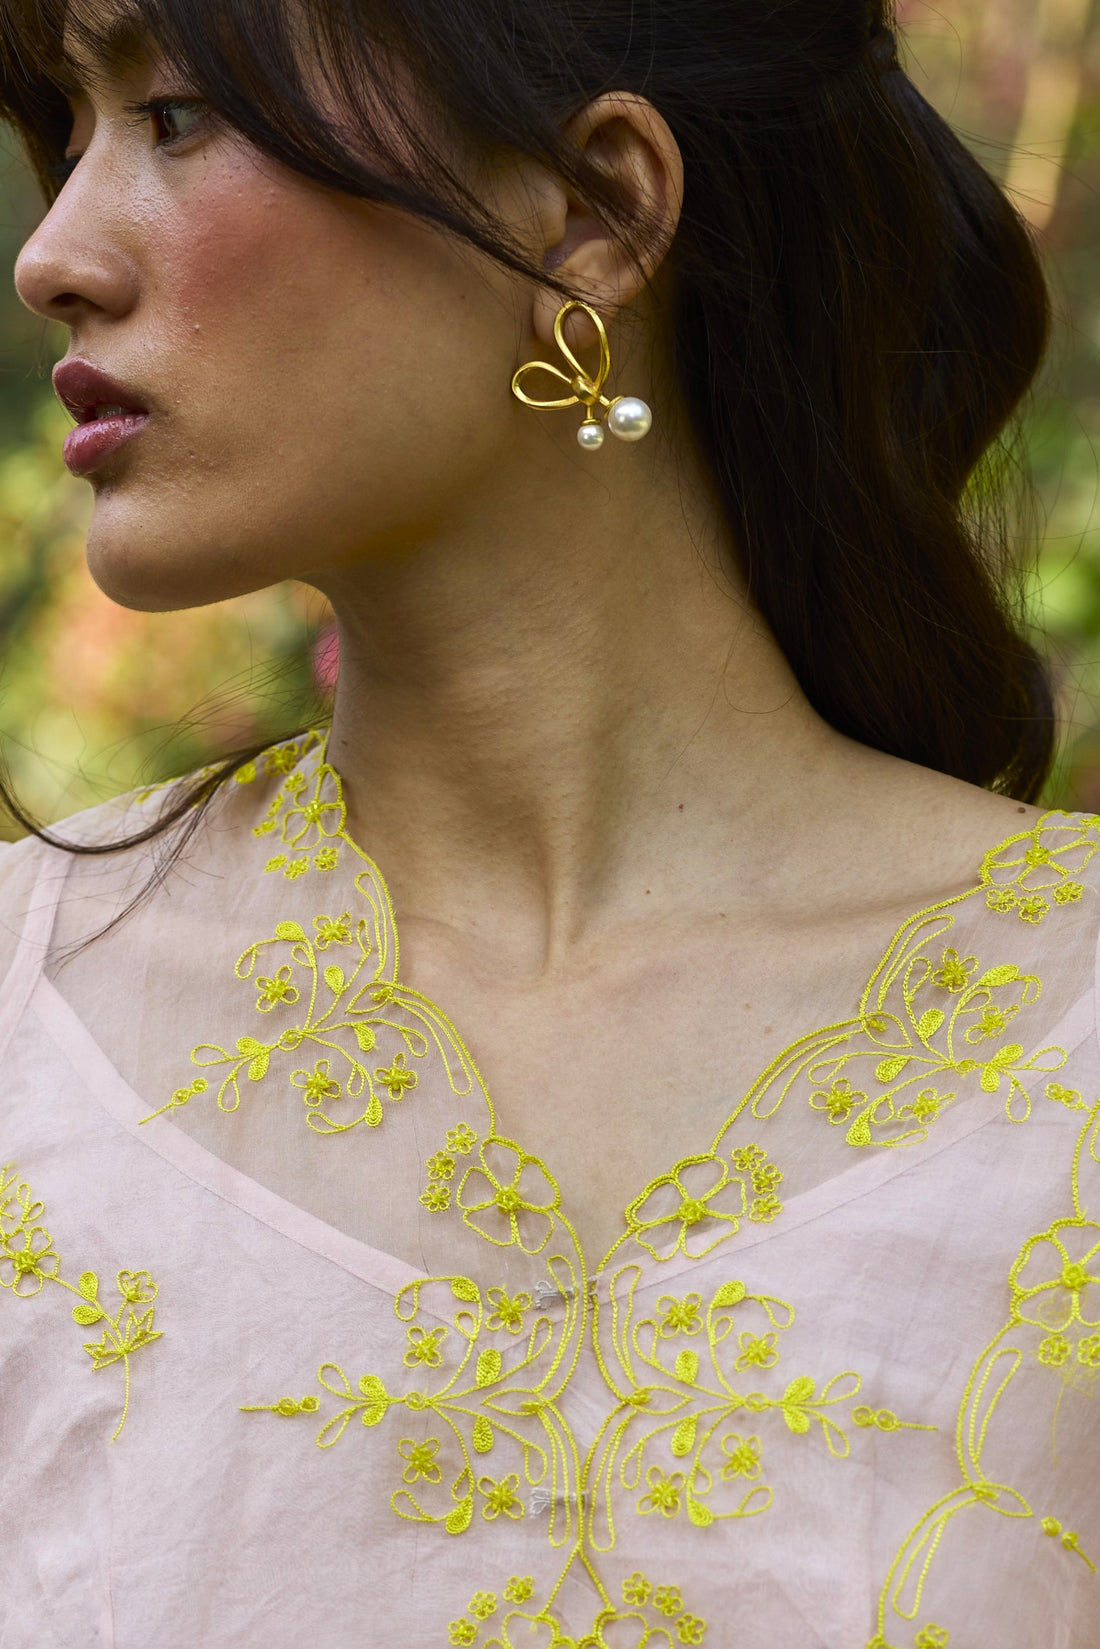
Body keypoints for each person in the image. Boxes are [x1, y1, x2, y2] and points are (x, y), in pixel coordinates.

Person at [0, 0, 1096, 1643]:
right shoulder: (27, 1034)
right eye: (67, 131)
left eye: (174, 112)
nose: (54, 256)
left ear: (594, 211)